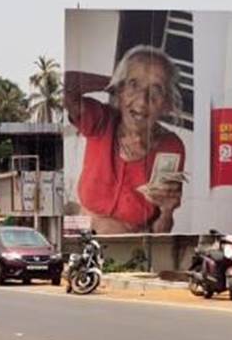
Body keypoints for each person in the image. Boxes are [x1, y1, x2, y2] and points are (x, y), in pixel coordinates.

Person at [65, 45, 187, 234]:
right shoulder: (101, 120)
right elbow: (65, 85)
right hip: (81, 228)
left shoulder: (170, 146)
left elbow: (160, 231)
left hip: (127, 245)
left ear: (167, 104)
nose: (141, 101)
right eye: (133, 85)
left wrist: (167, 211)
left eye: (156, 91)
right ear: (120, 91)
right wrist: (114, 82)